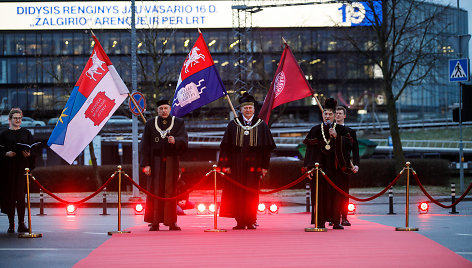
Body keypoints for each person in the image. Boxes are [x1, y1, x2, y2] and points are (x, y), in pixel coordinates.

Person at [219, 93, 276, 230]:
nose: (248, 110)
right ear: (241, 110)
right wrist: (225, 165)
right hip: (236, 164)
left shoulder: (262, 125)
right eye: (245, 108)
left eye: (250, 108)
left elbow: (266, 150)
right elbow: (225, 148)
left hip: (254, 164)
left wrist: (264, 166)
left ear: (254, 109)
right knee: (237, 192)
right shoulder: (233, 125)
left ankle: (251, 219)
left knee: (252, 193)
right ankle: (239, 220)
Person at [140, 99, 188, 231]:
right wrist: (146, 164)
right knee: (154, 191)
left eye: (166, 108)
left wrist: (176, 140)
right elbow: (145, 145)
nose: (163, 111)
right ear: (157, 110)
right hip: (154, 162)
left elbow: (184, 140)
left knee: (170, 191)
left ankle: (171, 221)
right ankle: (154, 221)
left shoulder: (178, 123)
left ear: (170, 109)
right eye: (161, 108)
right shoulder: (150, 124)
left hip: (172, 161)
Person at [303, 98, 349, 230]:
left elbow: (348, 148)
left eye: (330, 114)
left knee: (335, 195)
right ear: (322, 115)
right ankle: (320, 220)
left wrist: (337, 137)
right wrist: (308, 168)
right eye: (325, 114)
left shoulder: (341, 130)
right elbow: (309, 151)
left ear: (335, 115)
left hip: (335, 168)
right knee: (319, 195)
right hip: (319, 168)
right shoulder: (315, 130)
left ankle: (336, 220)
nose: (327, 116)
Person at [0, 108, 35, 233]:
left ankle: (21, 223)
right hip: (8, 170)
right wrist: (6, 154)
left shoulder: (26, 133)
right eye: (15, 118)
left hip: (22, 169)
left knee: (21, 198)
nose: (18, 120)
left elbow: (32, 151)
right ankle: (11, 224)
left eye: (19, 118)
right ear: (10, 119)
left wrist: (29, 154)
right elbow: (0, 151)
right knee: (10, 198)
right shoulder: (4, 134)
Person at [335, 106, 360, 226]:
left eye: (340, 113)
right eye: (336, 113)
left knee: (344, 192)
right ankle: (333, 217)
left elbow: (355, 150)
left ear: (344, 116)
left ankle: (344, 217)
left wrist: (356, 164)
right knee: (332, 192)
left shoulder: (351, 132)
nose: (338, 115)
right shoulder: (329, 129)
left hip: (345, 165)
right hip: (332, 165)